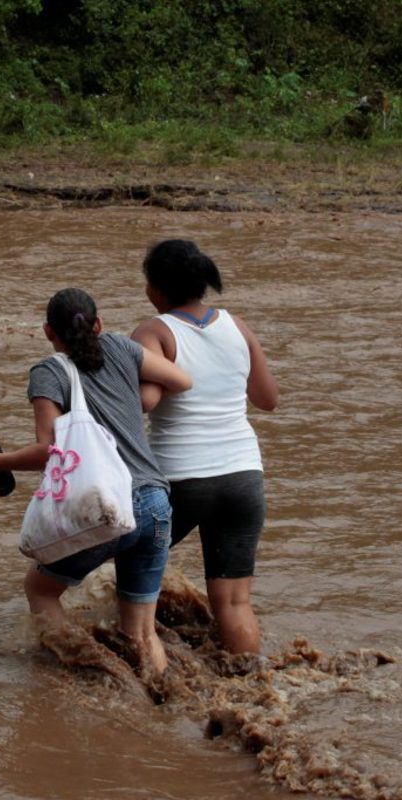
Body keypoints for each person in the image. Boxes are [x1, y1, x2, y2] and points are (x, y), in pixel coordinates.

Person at [0, 288, 192, 676]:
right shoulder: (122, 348)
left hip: (105, 507)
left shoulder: (48, 372)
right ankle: (159, 705)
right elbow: (182, 379)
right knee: (142, 632)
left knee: (40, 590)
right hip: (155, 502)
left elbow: (48, 451)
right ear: (98, 324)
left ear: (49, 332)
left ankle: (97, 676)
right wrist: (138, 402)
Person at [131, 239, 278, 654]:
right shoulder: (237, 326)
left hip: (181, 478)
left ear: (156, 288)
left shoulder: (153, 331)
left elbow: (147, 402)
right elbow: (267, 399)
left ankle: (142, 664)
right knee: (234, 601)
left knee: (121, 564)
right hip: (243, 476)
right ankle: (251, 690)